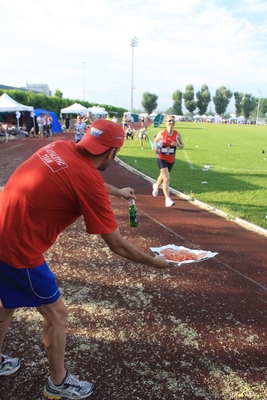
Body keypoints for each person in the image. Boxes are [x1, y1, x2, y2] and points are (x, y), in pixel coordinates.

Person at [0, 119, 170, 399]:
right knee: (57, 314)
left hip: (3, 230)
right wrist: (154, 261)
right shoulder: (88, 181)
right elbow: (118, 246)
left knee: (6, 304)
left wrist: (117, 192)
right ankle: (58, 382)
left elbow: (81, 175)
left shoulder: (61, 147)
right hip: (18, 249)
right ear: (112, 153)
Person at [152, 115, 184, 207]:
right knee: (166, 178)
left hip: (171, 159)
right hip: (161, 158)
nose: (171, 123)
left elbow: (182, 146)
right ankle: (167, 199)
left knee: (162, 176)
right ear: (166, 122)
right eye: (169, 121)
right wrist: (156, 148)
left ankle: (156, 186)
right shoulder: (162, 133)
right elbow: (155, 141)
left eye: (173, 121)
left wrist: (177, 144)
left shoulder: (177, 134)